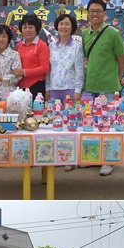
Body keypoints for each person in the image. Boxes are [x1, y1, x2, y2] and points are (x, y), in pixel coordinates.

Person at [82, 0, 124, 177]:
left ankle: (109, 160)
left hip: (108, 88)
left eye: (98, 11)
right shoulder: (85, 34)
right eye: (92, 11)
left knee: (108, 125)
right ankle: (93, 158)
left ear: (104, 14)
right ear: (87, 13)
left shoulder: (113, 34)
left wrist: (116, 79)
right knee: (91, 124)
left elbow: (122, 60)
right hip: (90, 87)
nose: (95, 14)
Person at [46, 13, 84, 172]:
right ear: (57, 26)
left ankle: (71, 158)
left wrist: (77, 89)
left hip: (70, 89)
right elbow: (49, 70)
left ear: (72, 27)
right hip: (54, 90)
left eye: (67, 24)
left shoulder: (76, 45)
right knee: (56, 124)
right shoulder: (51, 45)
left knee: (70, 125)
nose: (63, 27)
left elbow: (80, 69)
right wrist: (47, 88)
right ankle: (59, 156)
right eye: (61, 24)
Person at [13, 13, 50, 101]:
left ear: (36, 29)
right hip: (20, 88)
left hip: (37, 86)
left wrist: (24, 72)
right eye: (25, 27)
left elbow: (45, 68)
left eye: (30, 27)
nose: (27, 30)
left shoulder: (42, 45)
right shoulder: (19, 46)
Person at [0, 24, 21, 99]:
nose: (1, 39)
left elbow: (17, 77)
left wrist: (1, 78)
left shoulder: (14, 55)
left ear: (8, 39)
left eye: (4, 36)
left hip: (9, 94)